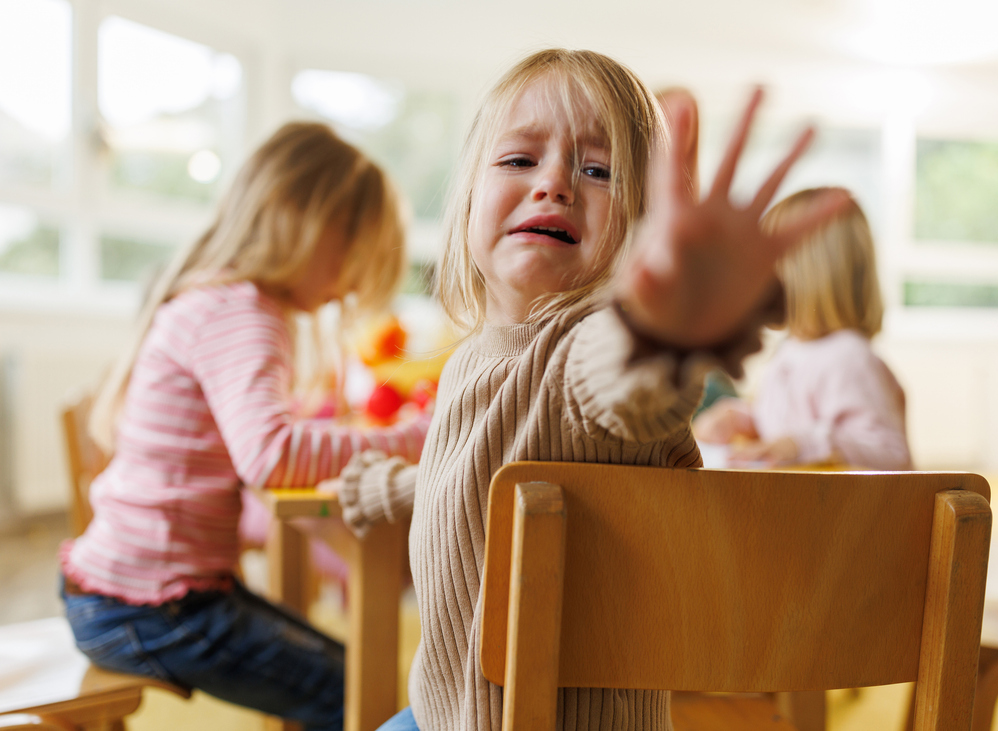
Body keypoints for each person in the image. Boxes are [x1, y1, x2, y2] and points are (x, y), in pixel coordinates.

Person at [337, 49, 848, 731]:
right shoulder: (473, 361)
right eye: (519, 160)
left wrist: (668, 322)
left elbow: (627, 380)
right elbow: (482, 474)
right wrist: (387, 489)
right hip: (446, 713)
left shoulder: (589, 348)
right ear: (465, 203)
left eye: (597, 170)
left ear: (640, 234)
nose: (554, 183)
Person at [59, 122, 431, 731]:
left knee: (341, 668)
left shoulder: (222, 299)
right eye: (352, 256)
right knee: (352, 687)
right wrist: (417, 438)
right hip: (153, 606)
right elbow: (273, 455)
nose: (349, 285)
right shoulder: (242, 310)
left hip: (128, 593)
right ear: (308, 225)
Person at [692, 188, 912, 470]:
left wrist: (802, 445)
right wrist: (746, 419)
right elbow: (788, 422)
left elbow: (892, 454)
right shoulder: (792, 348)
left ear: (806, 270)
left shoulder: (848, 357)